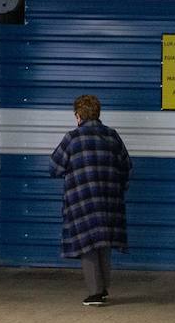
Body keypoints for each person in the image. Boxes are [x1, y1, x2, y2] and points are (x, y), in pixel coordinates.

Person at [49, 94, 132, 305]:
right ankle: (103, 289)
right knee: (103, 243)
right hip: (110, 200)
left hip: (83, 200)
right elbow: (126, 166)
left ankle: (95, 293)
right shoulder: (112, 136)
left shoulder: (72, 138)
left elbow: (55, 167)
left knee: (87, 245)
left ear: (78, 116)